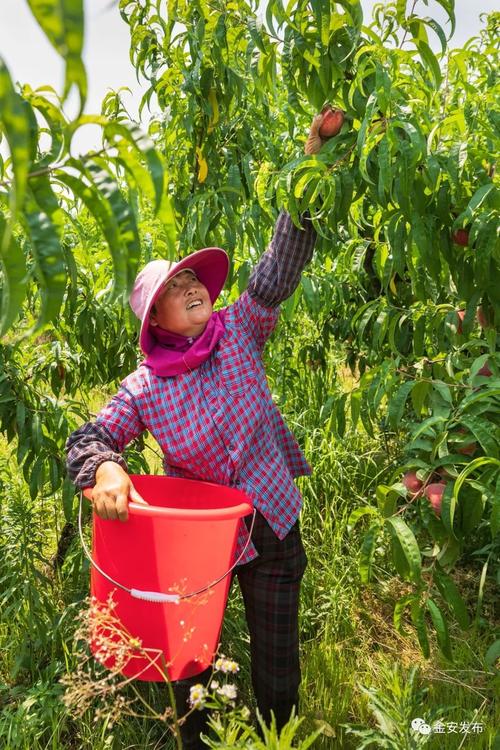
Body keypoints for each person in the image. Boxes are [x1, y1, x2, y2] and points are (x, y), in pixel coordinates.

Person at [66, 112, 329, 749]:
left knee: (276, 666)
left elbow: (279, 267)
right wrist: (104, 469)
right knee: (191, 665)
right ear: (155, 317)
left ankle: (275, 737)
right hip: (198, 541)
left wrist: (309, 164)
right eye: (173, 287)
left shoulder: (239, 326)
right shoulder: (146, 385)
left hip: (269, 514)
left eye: (191, 279)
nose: (189, 287)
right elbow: (89, 436)